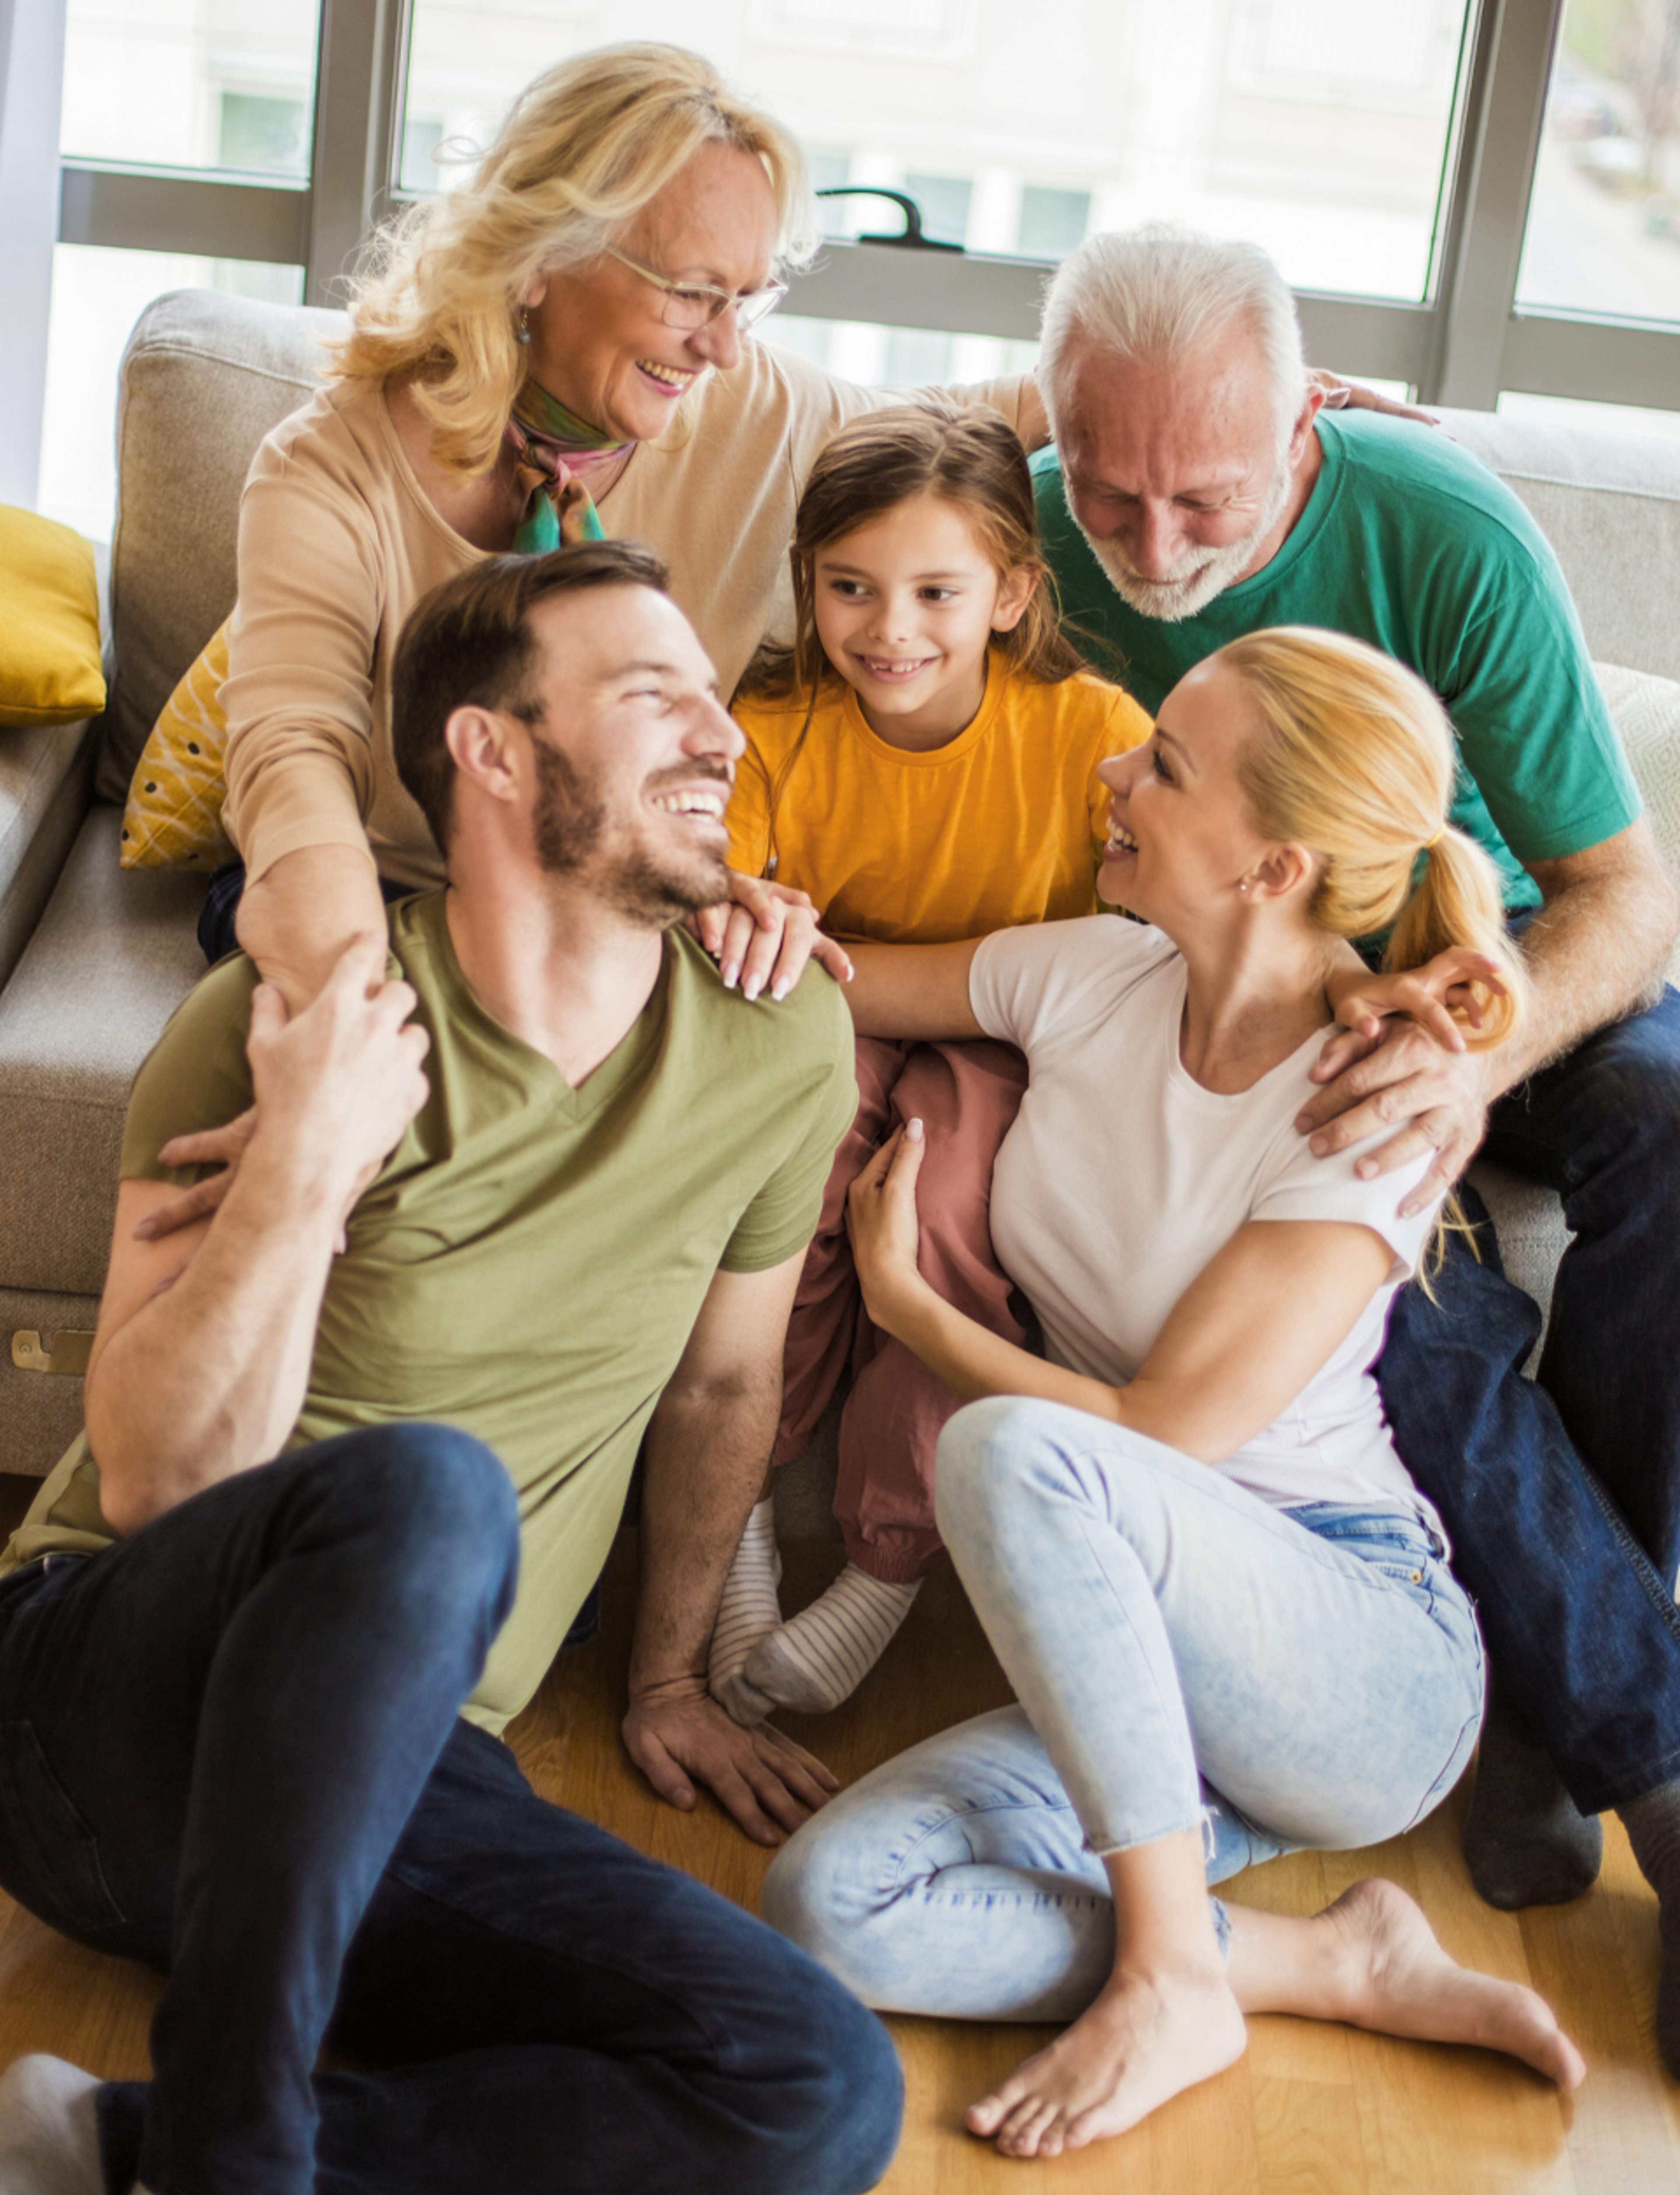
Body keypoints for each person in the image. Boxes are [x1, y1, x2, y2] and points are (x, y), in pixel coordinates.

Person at [0, 542, 902, 2195]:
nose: (722, 735)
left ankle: (115, 2147)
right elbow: (146, 1480)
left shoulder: (783, 1040)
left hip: (409, 1771)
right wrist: (303, 1167)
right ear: (490, 749)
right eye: (656, 700)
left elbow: (717, 1394)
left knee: (816, 2083)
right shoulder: (289, 1021)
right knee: (433, 1493)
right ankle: (233, 2156)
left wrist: (669, 1676)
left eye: (714, 698)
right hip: (93, 1718)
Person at [761, 628, 1583, 2160]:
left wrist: (906, 1311)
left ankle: (1163, 1976)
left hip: (1354, 1658)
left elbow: (1153, 1440)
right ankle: (1313, 1963)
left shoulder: (1368, 1101)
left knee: (1017, 1445)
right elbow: (847, 984)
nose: (1112, 773)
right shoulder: (1093, 975)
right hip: (1150, 1662)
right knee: (830, 1910)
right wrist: (735, 903)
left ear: (1275, 866)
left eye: (1165, 768)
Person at [202, 41, 1418, 1028]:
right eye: (691, 292)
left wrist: (1243, 393)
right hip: (399, 894)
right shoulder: (332, 470)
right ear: (536, 257)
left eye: (753, 296)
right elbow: (290, 753)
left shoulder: (750, 408)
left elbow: (961, 425)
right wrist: (348, 975)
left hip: (630, 910)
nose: (725, 345)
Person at [1029, 221, 1680, 2064]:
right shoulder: (1020, 514)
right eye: (1112, 488)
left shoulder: (1441, 530)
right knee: (1417, 1315)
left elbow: (1620, 894)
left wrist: (1478, 1060)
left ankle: (1563, 1703)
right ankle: (1657, 1765)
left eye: (1206, 498)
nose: (1155, 556)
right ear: (1052, 420)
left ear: (1309, 411)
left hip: (1478, 969)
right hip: (1246, 1021)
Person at [705, 397, 1152, 1719]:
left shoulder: (1090, 730)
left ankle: (888, 1561)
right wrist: (730, 903)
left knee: (946, 1212)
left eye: (935, 592)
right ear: (809, 584)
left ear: (1011, 594)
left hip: (1015, 1034)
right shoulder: (774, 721)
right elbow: (717, 882)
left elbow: (1150, 929)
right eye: (850, 587)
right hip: (824, 1015)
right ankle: (733, 1523)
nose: (888, 629)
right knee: (789, 1199)